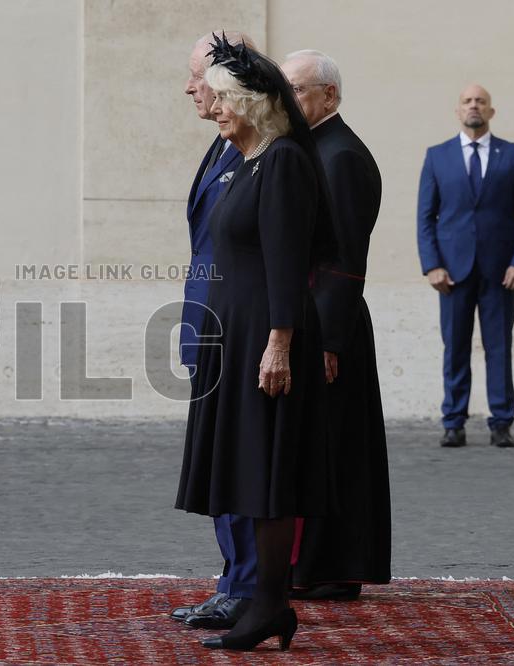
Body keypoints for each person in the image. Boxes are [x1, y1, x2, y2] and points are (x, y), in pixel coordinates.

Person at [176, 34, 336, 651]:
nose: (214, 110)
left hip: (268, 340)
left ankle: (269, 604)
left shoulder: (285, 161)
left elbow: (289, 262)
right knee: (249, 469)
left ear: (253, 103)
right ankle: (262, 603)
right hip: (234, 336)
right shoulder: (246, 161)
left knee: (270, 474)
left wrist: (279, 344)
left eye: (223, 100)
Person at [281, 50, 391, 600]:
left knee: (333, 450)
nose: (290, 99)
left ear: (329, 96)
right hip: (315, 319)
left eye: (298, 90)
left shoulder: (340, 155)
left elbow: (345, 257)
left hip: (331, 325)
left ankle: (327, 568)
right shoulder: (313, 148)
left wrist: (327, 338)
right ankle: (310, 566)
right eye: (286, 89)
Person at [169, 30, 254, 632]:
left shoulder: (258, 150)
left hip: (239, 327)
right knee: (219, 461)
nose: (190, 88)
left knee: (240, 460)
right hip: (209, 321)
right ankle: (234, 578)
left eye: (199, 77)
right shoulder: (222, 147)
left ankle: (247, 585)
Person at [417, 84, 514, 448]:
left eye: (480, 102)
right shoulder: (438, 156)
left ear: (491, 112)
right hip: (452, 273)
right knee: (455, 347)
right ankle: (454, 420)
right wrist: (432, 265)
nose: (474, 106)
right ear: (458, 111)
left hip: (501, 272)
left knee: (499, 347)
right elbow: (426, 216)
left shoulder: (513, 156)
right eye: (468, 101)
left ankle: (501, 421)